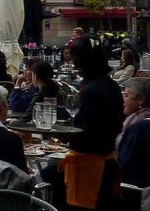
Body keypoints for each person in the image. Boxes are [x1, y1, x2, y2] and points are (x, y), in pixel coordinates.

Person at [40, 36, 124, 210]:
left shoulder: (91, 90)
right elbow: (115, 125)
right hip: (107, 163)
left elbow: (86, 133)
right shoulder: (111, 85)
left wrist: (58, 133)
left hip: (89, 170)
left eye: (75, 58)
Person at [116, 78, 150, 189]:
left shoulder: (140, 128)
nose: (123, 100)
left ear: (140, 100)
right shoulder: (135, 121)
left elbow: (125, 163)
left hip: (135, 190)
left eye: (126, 96)